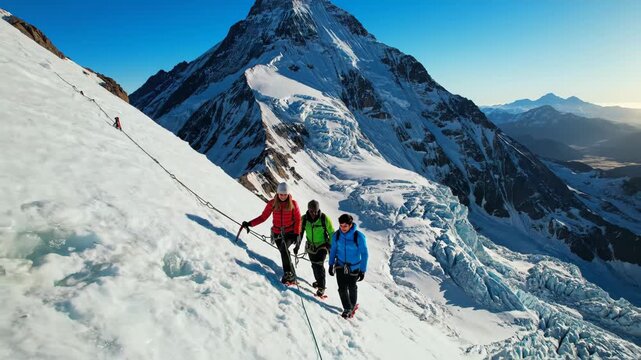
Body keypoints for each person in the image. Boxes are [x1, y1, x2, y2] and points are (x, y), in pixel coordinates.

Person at [242, 182, 301, 284]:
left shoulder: (293, 204)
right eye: (281, 194)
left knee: (284, 248)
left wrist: (297, 234)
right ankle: (292, 275)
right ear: (277, 194)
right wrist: (250, 224)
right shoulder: (272, 203)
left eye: (285, 194)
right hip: (277, 233)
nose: (282, 196)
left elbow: (298, 219)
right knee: (284, 252)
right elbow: (263, 217)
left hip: (290, 233)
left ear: (288, 194)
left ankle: (288, 274)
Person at [328, 214, 368, 318]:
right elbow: (333, 251)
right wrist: (330, 264)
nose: (342, 228)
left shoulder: (358, 236)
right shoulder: (336, 235)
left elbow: (364, 253)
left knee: (352, 287)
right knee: (342, 288)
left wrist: (362, 270)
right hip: (340, 265)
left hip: (354, 267)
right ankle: (347, 308)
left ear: (350, 225)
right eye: (341, 226)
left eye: (345, 226)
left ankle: (352, 306)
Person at [294, 200, 334, 298]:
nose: (314, 213)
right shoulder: (304, 219)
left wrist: (330, 245)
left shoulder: (324, 219)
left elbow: (332, 233)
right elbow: (300, 233)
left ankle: (321, 287)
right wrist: (297, 246)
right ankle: (318, 281)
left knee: (319, 265)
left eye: (315, 211)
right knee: (314, 265)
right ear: (308, 209)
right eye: (312, 211)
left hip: (322, 246)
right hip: (311, 246)